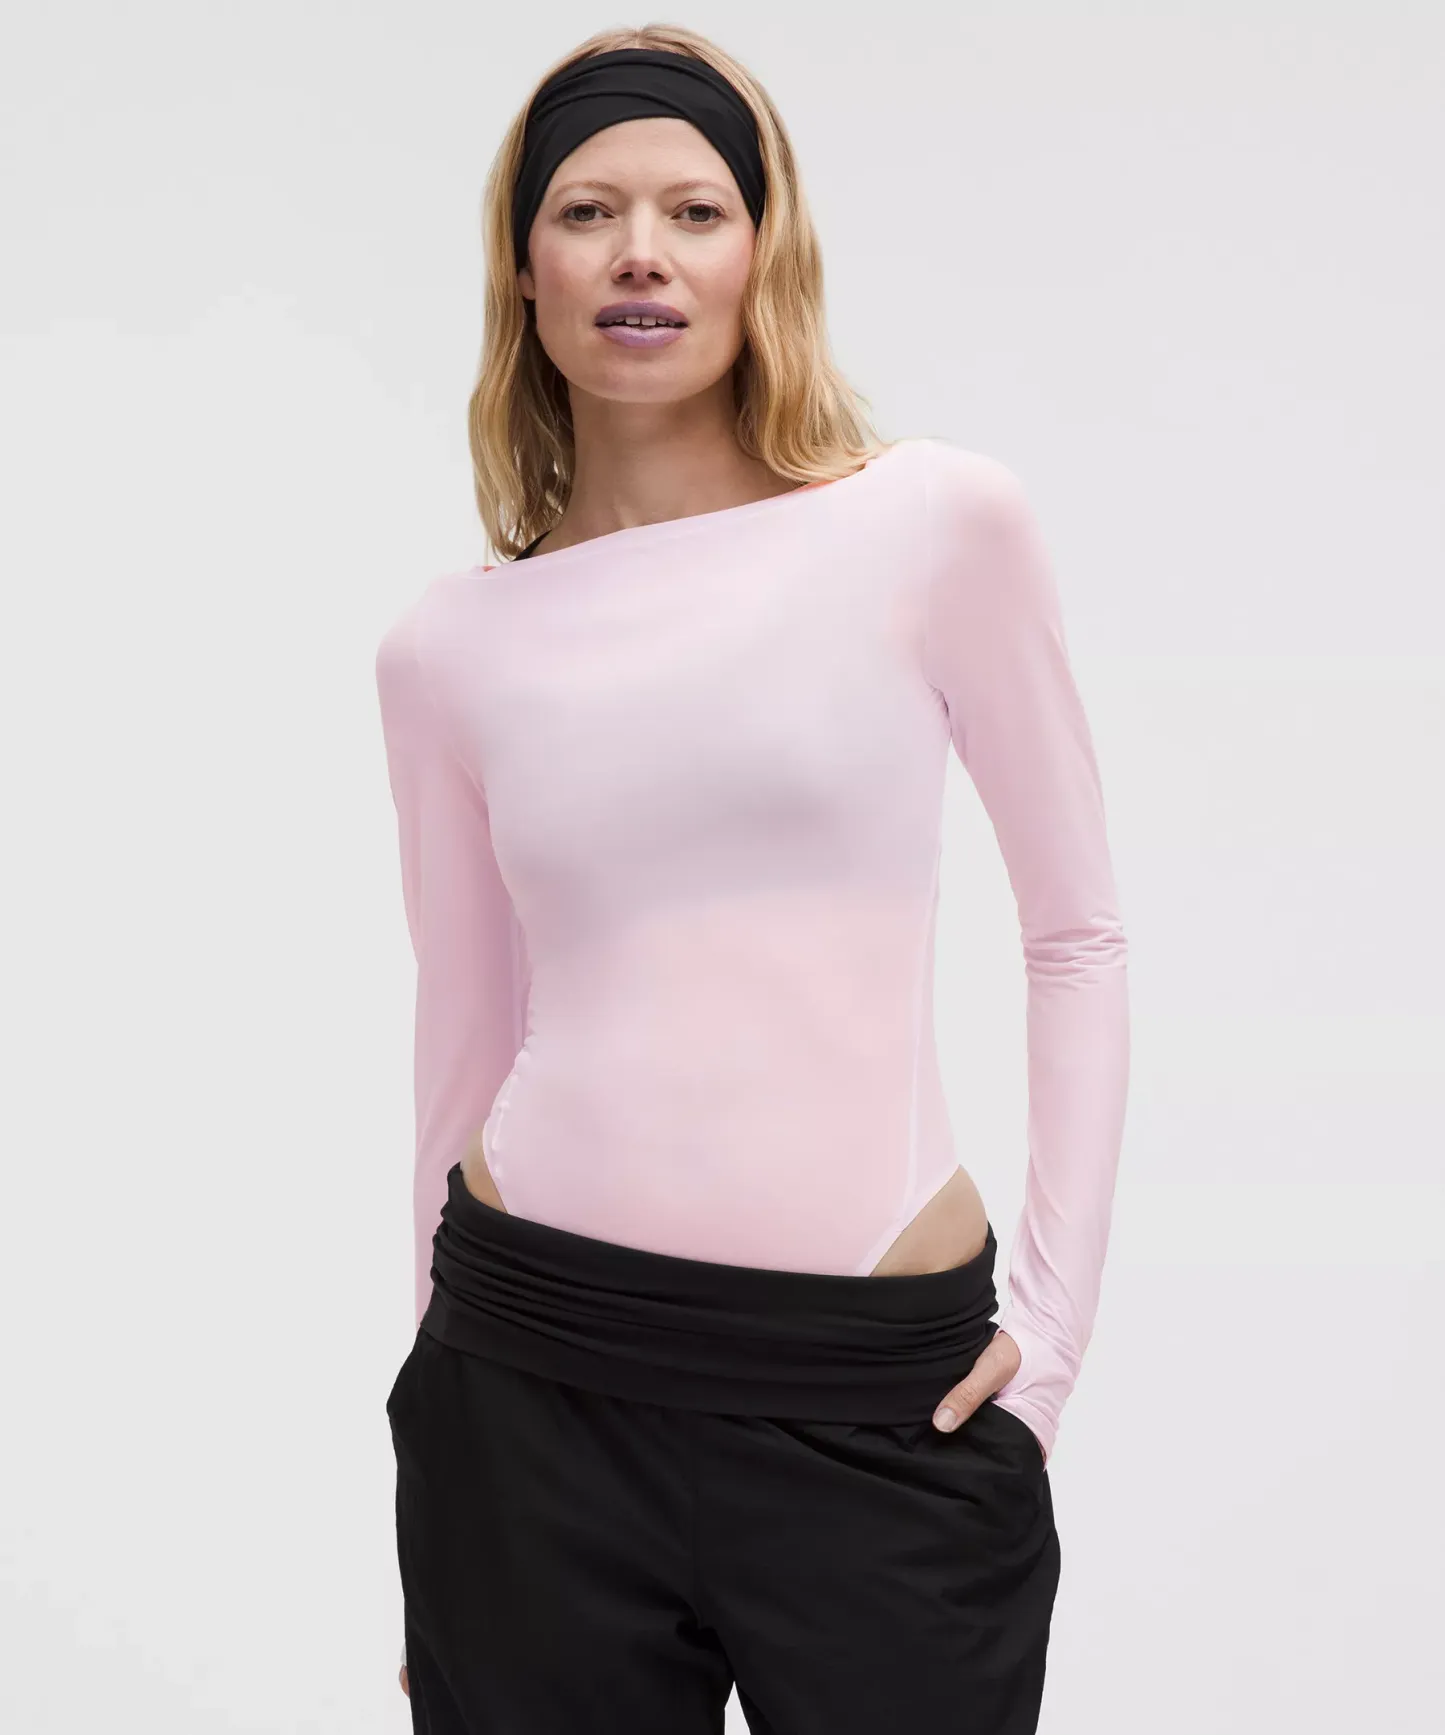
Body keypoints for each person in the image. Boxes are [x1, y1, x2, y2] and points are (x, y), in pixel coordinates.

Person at [375, 23, 1130, 1735]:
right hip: (526, 1386)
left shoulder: (935, 528)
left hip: (879, 1395)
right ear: (525, 267)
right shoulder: (449, 650)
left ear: (762, 251)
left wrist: (1051, 1345)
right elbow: (460, 1042)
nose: (640, 252)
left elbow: (1079, 934)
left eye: (695, 210)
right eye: (588, 211)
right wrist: (433, 1467)